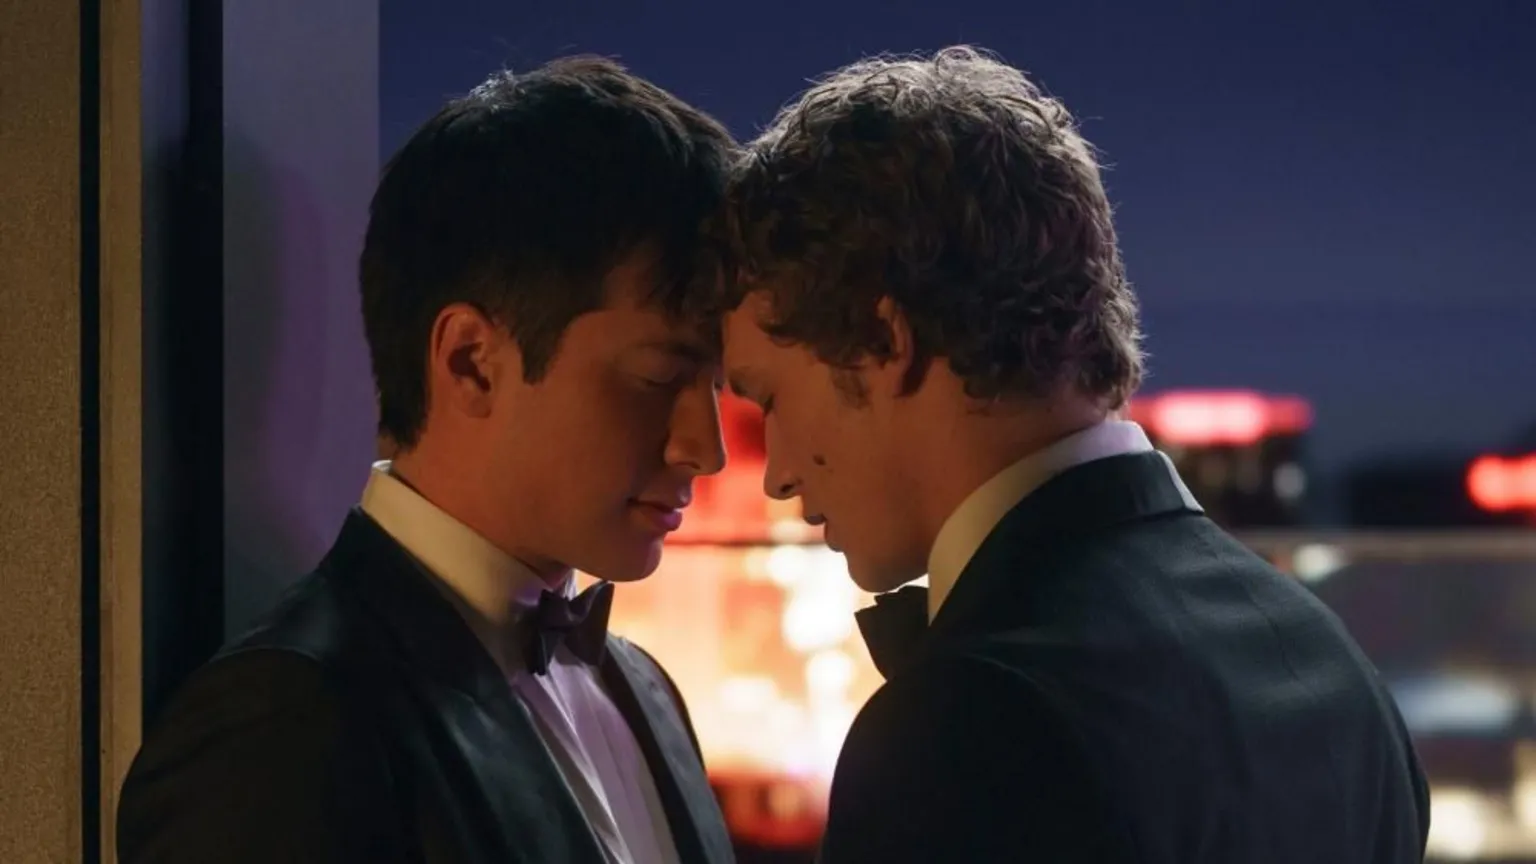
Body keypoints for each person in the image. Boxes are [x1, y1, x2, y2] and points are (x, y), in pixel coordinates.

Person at [716, 46, 1430, 863]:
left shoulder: (968, 729)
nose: (773, 472)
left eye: (768, 398)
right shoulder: (1332, 667)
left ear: (884, 341)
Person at [118, 57, 738, 864]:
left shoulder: (645, 690)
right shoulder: (283, 728)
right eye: (660, 377)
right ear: (472, 360)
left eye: (720, 386)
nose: (709, 448)